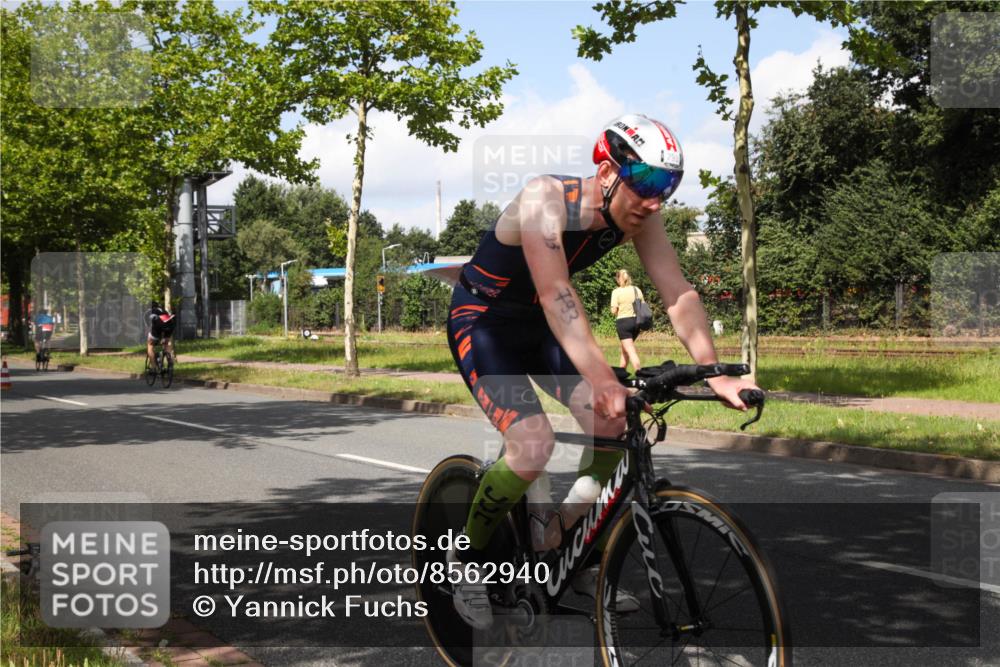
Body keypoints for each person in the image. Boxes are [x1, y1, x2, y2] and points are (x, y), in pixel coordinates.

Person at [445, 113, 761, 629]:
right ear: (609, 170)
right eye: (649, 182)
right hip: (484, 322)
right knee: (532, 444)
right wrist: (602, 379)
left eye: (669, 186)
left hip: (542, 327)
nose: (656, 200)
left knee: (613, 426)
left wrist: (714, 372)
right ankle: (468, 563)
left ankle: (574, 548)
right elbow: (556, 293)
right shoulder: (545, 199)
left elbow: (677, 292)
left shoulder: (642, 216)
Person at [610, 269, 643, 372]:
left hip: (623, 323)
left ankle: (641, 374)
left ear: (619, 279)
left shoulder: (616, 291)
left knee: (630, 351)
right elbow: (642, 305)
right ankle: (621, 373)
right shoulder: (636, 289)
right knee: (625, 350)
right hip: (636, 323)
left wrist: (617, 309)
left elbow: (613, 311)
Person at [146, 301, 177, 368]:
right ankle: (170, 360)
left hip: (158, 327)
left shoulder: (149, 312)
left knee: (150, 345)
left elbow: (146, 325)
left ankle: (154, 367)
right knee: (166, 343)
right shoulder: (163, 310)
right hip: (169, 325)